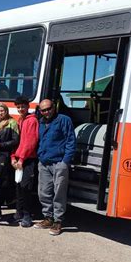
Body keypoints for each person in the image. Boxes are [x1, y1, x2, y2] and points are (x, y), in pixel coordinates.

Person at [34, 99, 76, 236]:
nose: (46, 112)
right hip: (44, 162)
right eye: (43, 110)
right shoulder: (41, 122)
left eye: (48, 109)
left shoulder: (64, 120)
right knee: (43, 192)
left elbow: (70, 141)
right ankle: (48, 217)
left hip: (59, 162)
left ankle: (58, 221)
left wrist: (65, 161)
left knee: (59, 193)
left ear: (54, 107)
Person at [10, 96, 39, 227]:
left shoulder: (32, 121)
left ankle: (27, 215)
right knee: (18, 187)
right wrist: (13, 157)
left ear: (28, 106)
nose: (20, 109)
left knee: (26, 188)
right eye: (18, 107)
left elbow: (30, 142)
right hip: (18, 160)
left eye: (23, 106)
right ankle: (18, 212)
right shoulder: (19, 120)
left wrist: (21, 159)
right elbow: (15, 142)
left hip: (27, 159)